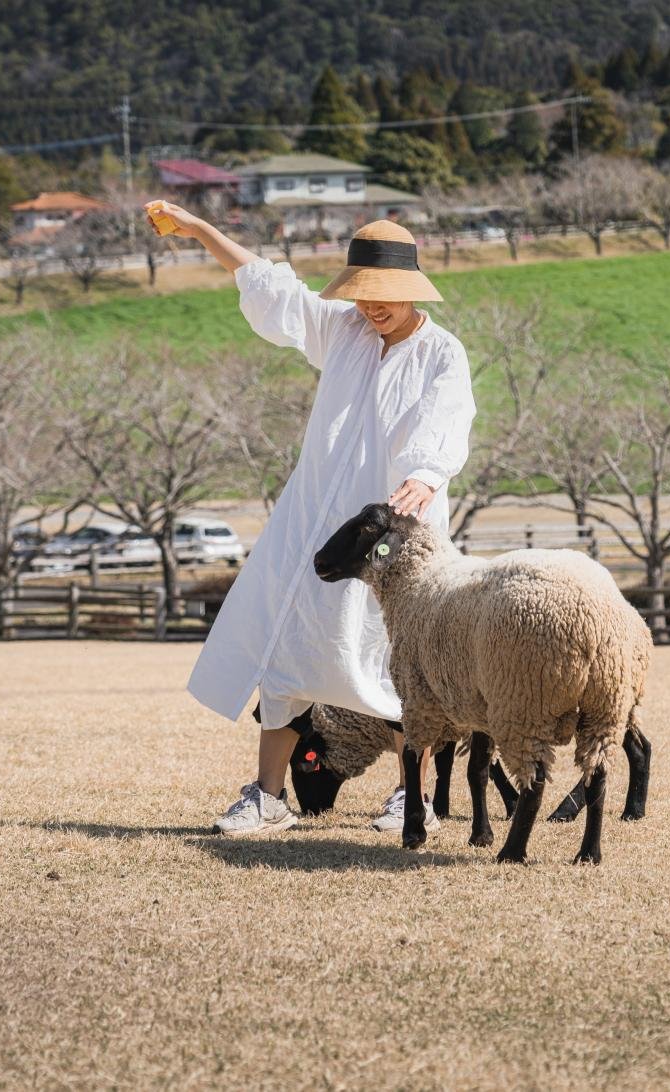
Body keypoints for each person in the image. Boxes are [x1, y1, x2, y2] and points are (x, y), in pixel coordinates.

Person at [145, 201, 474, 837]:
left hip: (391, 532)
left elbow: (448, 422)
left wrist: (425, 476)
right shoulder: (343, 331)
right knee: (285, 647)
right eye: (362, 296)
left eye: (384, 297)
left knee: (399, 657)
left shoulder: (442, 353)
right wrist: (202, 230)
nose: (371, 308)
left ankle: (416, 800)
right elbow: (274, 288)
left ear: (411, 290)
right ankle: (268, 798)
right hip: (313, 521)